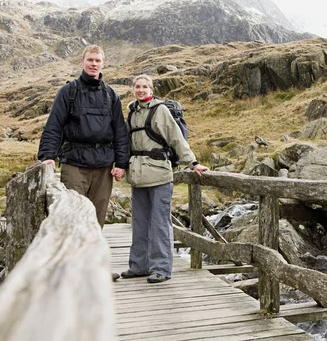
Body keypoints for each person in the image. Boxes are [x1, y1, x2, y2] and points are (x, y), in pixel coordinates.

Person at [37, 45, 129, 280]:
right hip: (74, 164)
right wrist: (48, 156)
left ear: (103, 64)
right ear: (82, 61)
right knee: (73, 218)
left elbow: (120, 132)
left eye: (98, 60)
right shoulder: (68, 92)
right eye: (90, 59)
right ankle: (72, 271)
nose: (94, 64)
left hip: (103, 167)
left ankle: (95, 269)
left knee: (97, 219)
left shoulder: (111, 95)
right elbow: (54, 126)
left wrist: (121, 163)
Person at [121, 74, 208, 284]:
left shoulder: (160, 111)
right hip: (138, 176)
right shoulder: (132, 112)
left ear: (151, 89)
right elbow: (125, 143)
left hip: (160, 175)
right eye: (137, 87)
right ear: (134, 89)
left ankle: (161, 268)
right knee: (139, 223)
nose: (141, 90)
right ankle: (139, 266)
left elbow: (176, 138)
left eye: (145, 87)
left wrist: (193, 163)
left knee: (160, 223)